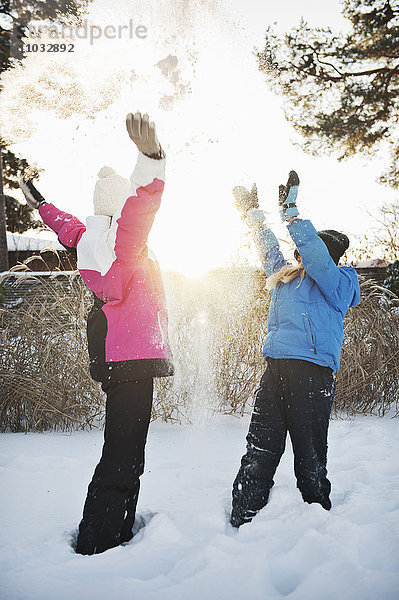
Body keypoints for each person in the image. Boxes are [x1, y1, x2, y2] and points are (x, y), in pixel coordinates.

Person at [19, 112, 174, 554]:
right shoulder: (126, 243)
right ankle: (101, 537)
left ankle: (112, 527)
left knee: (122, 447)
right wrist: (151, 160)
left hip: (112, 355)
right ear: (119, 205)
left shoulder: (89, 239)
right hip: (133, 357)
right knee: (125, 452)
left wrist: (38, 201)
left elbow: (62, 223)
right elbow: (144, 207)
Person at [230, 171, 360, 528]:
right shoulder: (286, 276)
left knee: (310, 453)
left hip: (312, 373)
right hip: (276, 372)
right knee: (261, 446)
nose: (299, 255)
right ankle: (244, 514)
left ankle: (316, 518)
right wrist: (253, 215)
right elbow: (269, 248)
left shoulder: (339, 282)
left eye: (308, 249)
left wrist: (291, 213)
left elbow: (318, 259)